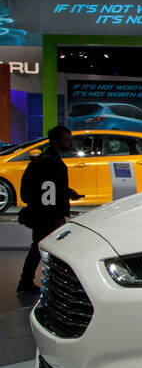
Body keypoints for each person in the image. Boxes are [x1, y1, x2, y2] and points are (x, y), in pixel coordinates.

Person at [16, 126, 83, 294]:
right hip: (48, 215)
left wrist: (68, 192)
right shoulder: (52, 162)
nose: (70, 142)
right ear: (56, 141)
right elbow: (49, 191)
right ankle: (30, 282)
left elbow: (50, 187)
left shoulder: (45, 160)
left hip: (43, 213)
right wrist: (56, 216)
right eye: (67, 139)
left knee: (38, 248)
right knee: (44, 249)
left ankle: (27, 281)